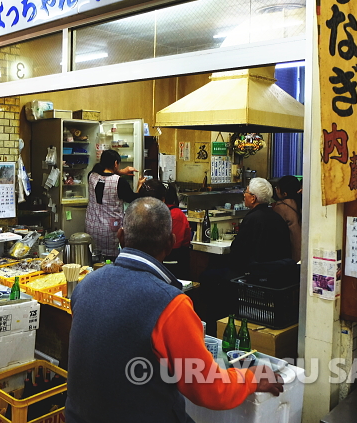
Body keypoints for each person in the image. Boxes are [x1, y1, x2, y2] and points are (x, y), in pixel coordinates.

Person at [67, 198, 282, 423]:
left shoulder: (86, 285)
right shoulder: (170, 303)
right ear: (170, 244)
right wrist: (252, 377)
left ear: (120, 236)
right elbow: (211, 389)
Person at [85, 149, 145, 260]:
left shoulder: (91, 176)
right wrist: (140, 186)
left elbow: (101, 171)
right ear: (116, 164)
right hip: (110, 230)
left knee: (94, 257)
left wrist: (121, 171)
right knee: (110, 260)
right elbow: (133, 199)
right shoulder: (120, 182)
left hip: (92, 227)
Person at [228, 177, 291, 275]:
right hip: (275, 273)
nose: (244, 195)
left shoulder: (252, 218)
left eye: (246, 192)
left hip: (254, 274)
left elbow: (237, 251)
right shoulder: (277, 217)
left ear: (253, 198)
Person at [139, 179, 192, 278]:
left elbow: (173, 246)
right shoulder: (146, 213)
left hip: (173, 264)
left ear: (162, 200)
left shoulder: (174, 215)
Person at [272, 175, 302, 263]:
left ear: (285, 193)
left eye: (277, 188)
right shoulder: (300, 202)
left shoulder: (281, 207)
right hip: (303, 250)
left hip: (291, 253)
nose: (276, 190)